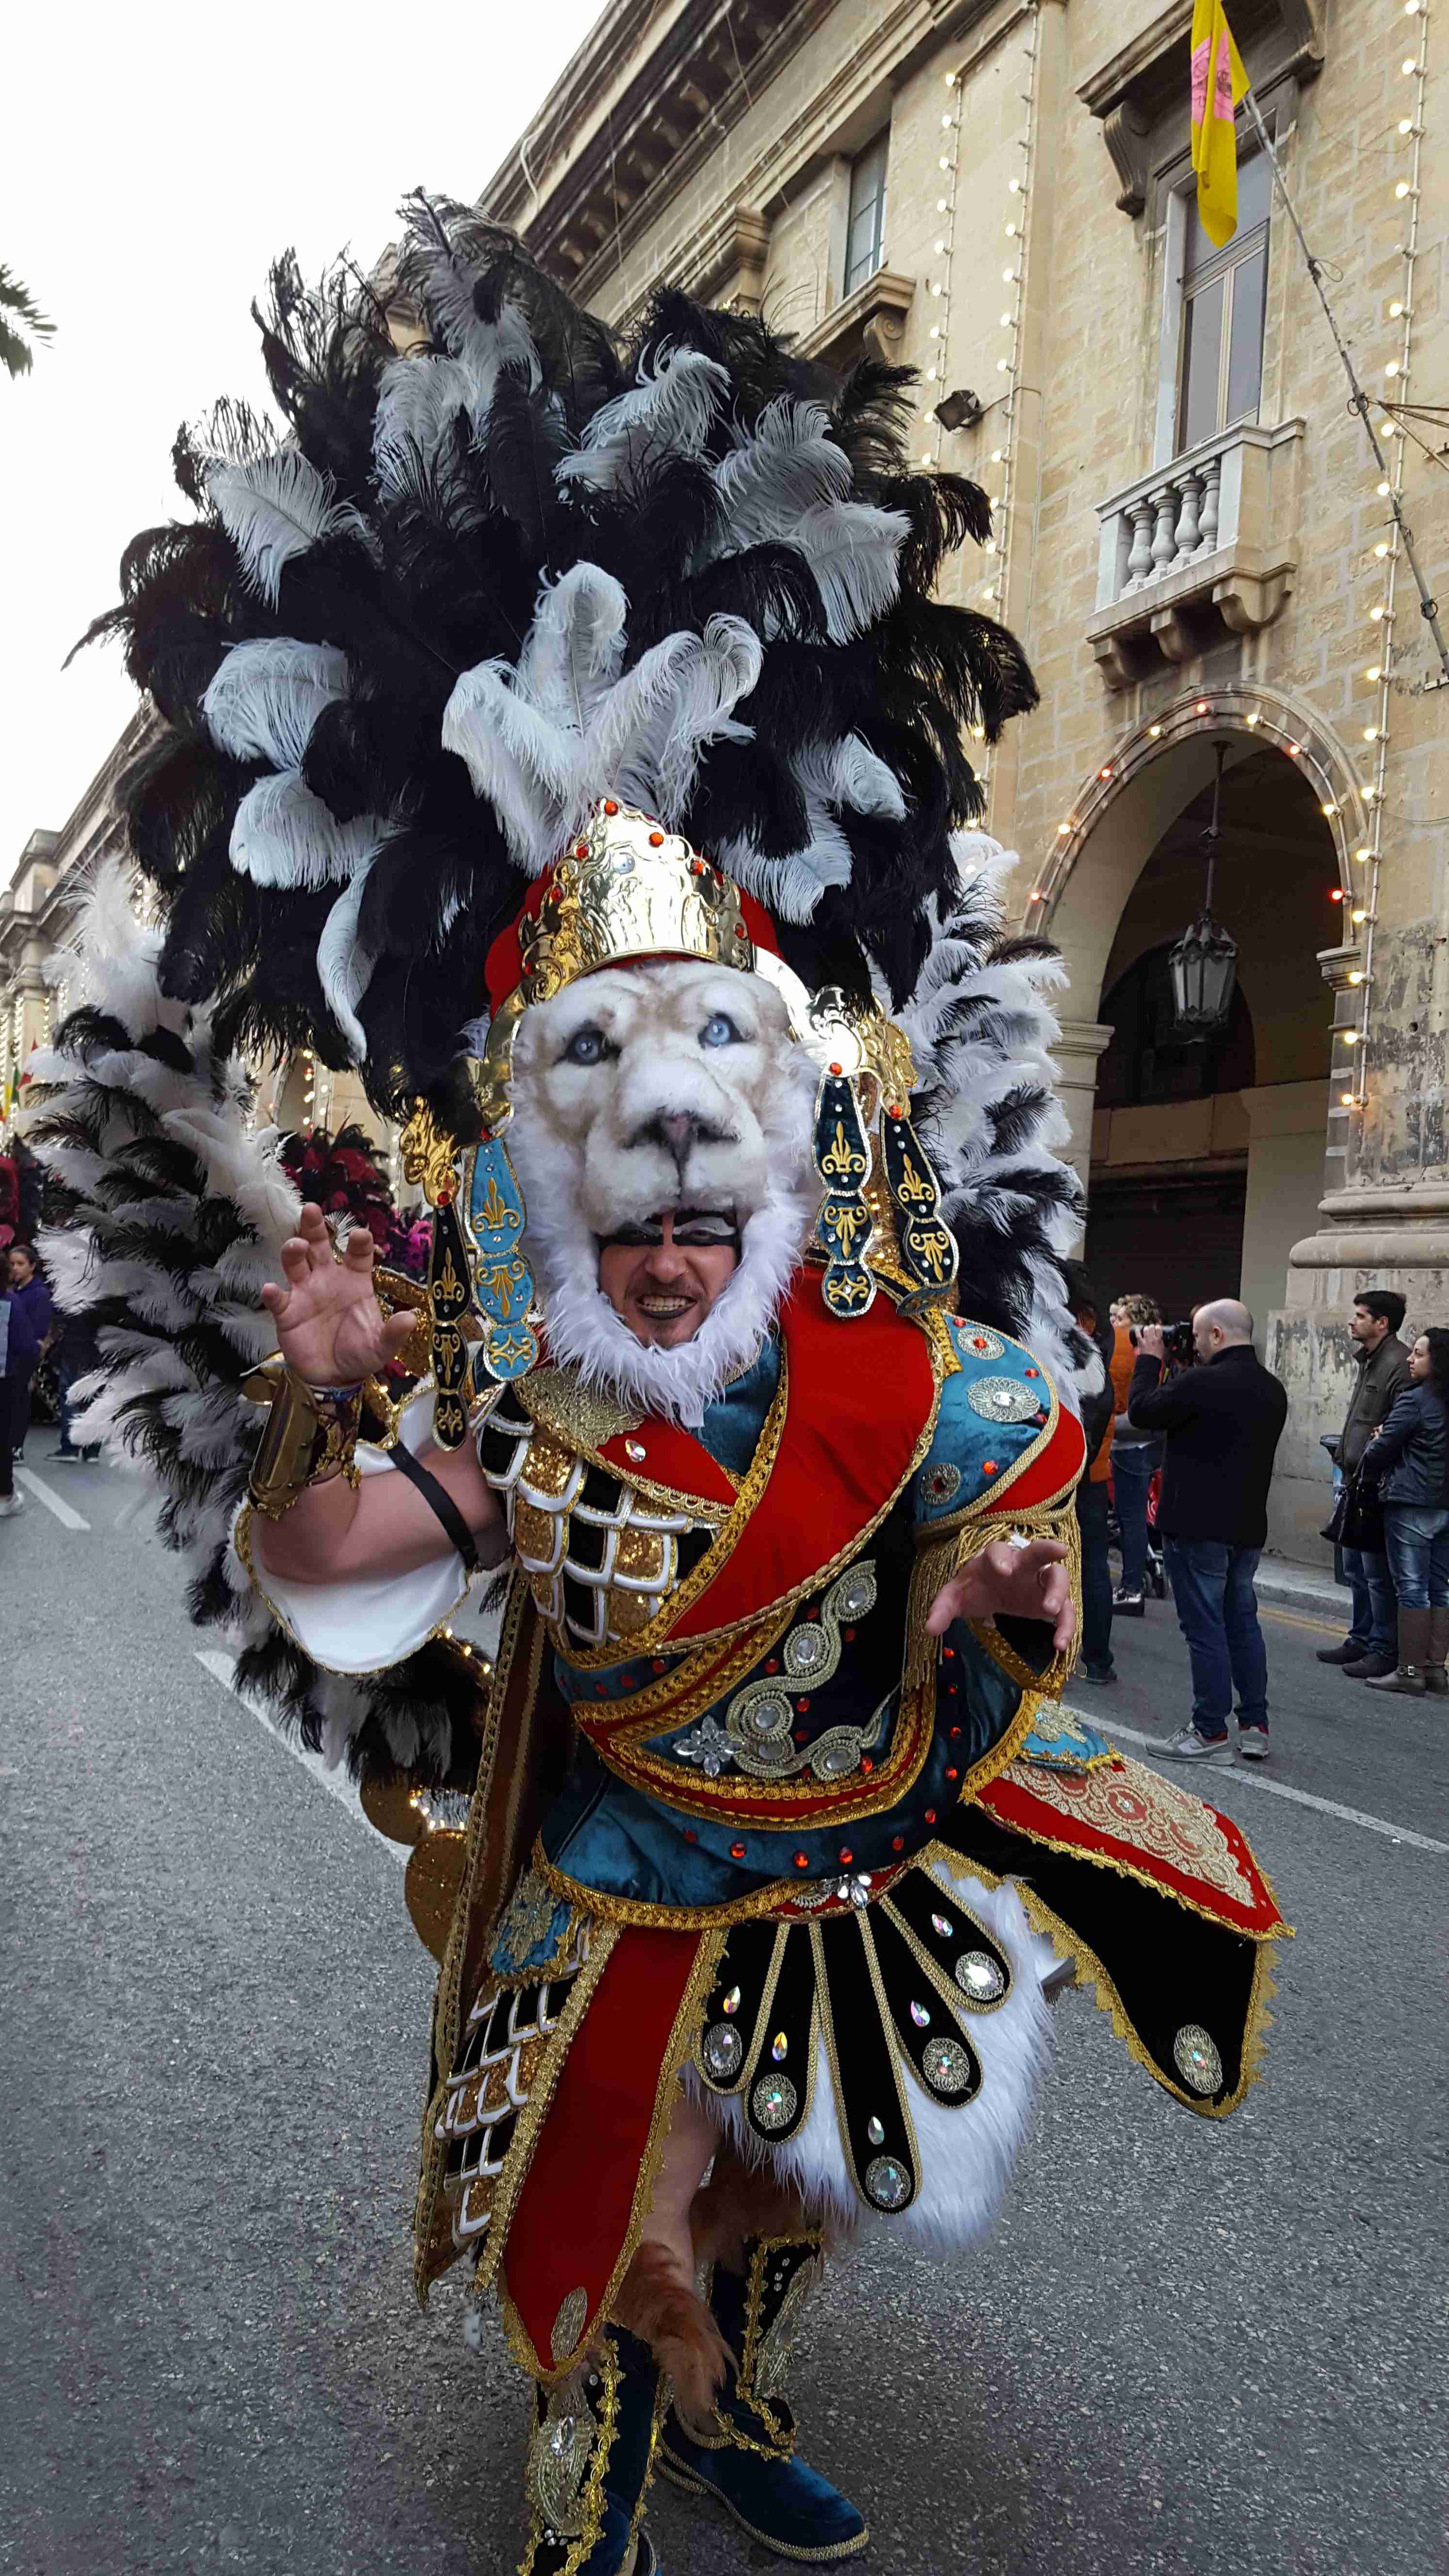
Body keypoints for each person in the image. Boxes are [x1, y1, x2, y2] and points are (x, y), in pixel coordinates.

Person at [26, 211, 1289, 2576]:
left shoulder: (902, 1349)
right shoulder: (522, 1391)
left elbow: (994, 1559)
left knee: (806, 2179)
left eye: (716, 1150)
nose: (682, 1204)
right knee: (638, 2192)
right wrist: (316, 1405)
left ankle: (731, 2391)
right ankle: (606, 2438)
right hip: (620, 1877)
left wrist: (1004, 1594)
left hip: (850, 1860)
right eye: (632, 1171)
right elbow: (334, 1562)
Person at [1127, 1299, 1288, 1760]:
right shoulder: (1272, 1389)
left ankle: (1209, 1731)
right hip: (1246, 1527)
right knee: (1242, 1623)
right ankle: (1254, 1725)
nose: (1193, 1345)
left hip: (1197, 1527)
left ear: (1217, 1335)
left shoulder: (1199, 1383)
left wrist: (1149, 1361)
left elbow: (1142, 1411)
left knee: (1205, 1629)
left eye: (1198, 1336)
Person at [1318, 1289, 1411, 1681]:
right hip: (1354, 1477)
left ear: (1382, 1323)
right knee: (1355, 1568)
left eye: (1360, 1316)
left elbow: (1400, 1426)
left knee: (1377, 1573)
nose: (1352, 1321)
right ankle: (1360, 1638)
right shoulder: (1372, 1359)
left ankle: (1382, 1648)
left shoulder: (1398, 1363)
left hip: (1376, 1482)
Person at [1356, 1328, 1449, 1696]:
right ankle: (1435, 1671)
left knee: (1412, 1588)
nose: (1410, 1359)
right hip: (1445, 1506)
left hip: (1412, 1502)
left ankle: (1409, 1672)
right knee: (1440, 1588)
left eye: (1419, 1354)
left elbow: (1380, 1452)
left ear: (1438, 1361)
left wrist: (1378, 1440)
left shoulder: (1415, 1400)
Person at [1063, 1260, 1116, 1684]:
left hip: (1074, 1476)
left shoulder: (1076, 1346)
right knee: (1091, 1565)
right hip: (1090, 1475)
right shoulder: (1102, 1341)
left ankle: (1085, 1654)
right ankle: (1095, 1657)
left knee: (1082, 1564)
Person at [1109, 1293, 1162, 1615]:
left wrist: (1105, 1426)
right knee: (1130, 1520)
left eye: (1121, 1319)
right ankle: (1136, 1582)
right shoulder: (1132, 1353)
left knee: (1131, 1521)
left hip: (1132, 1447)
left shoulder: (1143, 1357)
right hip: (1127, 1446)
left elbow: (1142, 1412)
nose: (1114, 1323)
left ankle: (1132, 1589)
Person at [6, 1243, 52, 1464]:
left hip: (25, 1354)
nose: (15, 1268)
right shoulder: (13, 1291)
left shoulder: (39, 1294)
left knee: (20, 1400)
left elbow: (38, 1330)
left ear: (32, 1266)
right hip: (9, 1353)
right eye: (12, 1264)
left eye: (20, 1264)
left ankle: (16, 1447)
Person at [0, 1261, 39, 1518]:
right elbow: (26, 1346)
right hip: (4, 1379)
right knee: (2, 1439)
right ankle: (5, 1497)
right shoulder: (9, 1303)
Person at [50, 1303, 103, 1463]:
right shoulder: (102, 1294)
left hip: (74, 1350)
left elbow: (59, 1321)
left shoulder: (72, 1296)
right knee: (94, 1401)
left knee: (71, 1399)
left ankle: (71, 1447)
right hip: (98, 1352)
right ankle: (92, 1449)